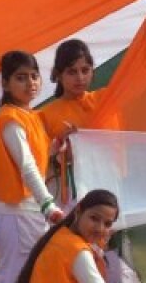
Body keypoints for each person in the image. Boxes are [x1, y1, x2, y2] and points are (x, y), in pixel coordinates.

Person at [0, 51, 63, 283]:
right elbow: (26, 165)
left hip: (27, 211)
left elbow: (37, 158)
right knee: (15, 277)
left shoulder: (32, 117)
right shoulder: (9, 118)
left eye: (34, 76)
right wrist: (48, 204)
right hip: (15, 212)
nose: (31, 83)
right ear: (5, 84)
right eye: (21, 77)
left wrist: (56, 147)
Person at [39, 39, 103, 208]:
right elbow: (37, 161)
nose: (80, 78)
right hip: (66, 196)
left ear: (92, 71)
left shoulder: (104, 101)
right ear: (59, 75)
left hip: (106, 184)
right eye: (72, 72)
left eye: (85, 70)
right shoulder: (45, 115)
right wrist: (59, 145)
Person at [16, 189, 118, 283]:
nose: (100, 228)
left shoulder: (62, 235)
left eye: (107, 224)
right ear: (78, 211)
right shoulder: (77, 250)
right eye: (94, 218)